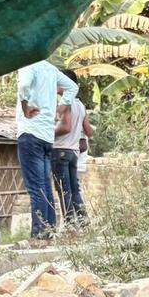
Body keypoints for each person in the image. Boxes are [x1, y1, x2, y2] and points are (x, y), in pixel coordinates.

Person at [15, 60, 78, 240]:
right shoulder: (51, 69)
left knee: (36, 188)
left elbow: (24, 85)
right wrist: (62, 105)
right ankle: (48, 232)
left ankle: (38, 234)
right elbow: (72, 87)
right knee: (45, 186)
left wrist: (25, 106)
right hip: (47, 136)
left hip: (30, 132)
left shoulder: (28, 64)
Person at [52, 94, 92, 228]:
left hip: (59, 149)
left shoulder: (64, 103)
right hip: (73, 152)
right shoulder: (81, 105)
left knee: (64, 191)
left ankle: (70, 225)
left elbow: (65, 127)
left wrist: (47, 133)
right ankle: (83, 222)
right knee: (75, 190)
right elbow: (88, 131)